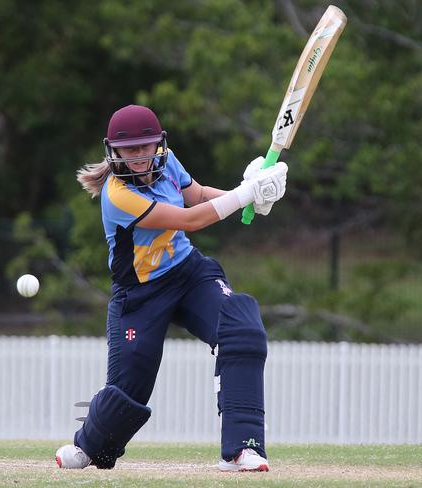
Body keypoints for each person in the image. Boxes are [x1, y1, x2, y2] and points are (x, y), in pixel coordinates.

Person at [55, 104, 287, 472]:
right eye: (130, 150)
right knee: (128, 392)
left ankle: (242, 449)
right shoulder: (117, 196)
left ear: (158, 144)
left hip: (188, 272)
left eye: (147, 147)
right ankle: (88, 446)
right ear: (113, 151)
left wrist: (250, 192)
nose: (140, 156)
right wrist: (244, 195)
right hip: (140, 294)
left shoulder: (169, 162)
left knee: (242, 329)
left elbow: (195, 196)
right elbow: (189, 219)